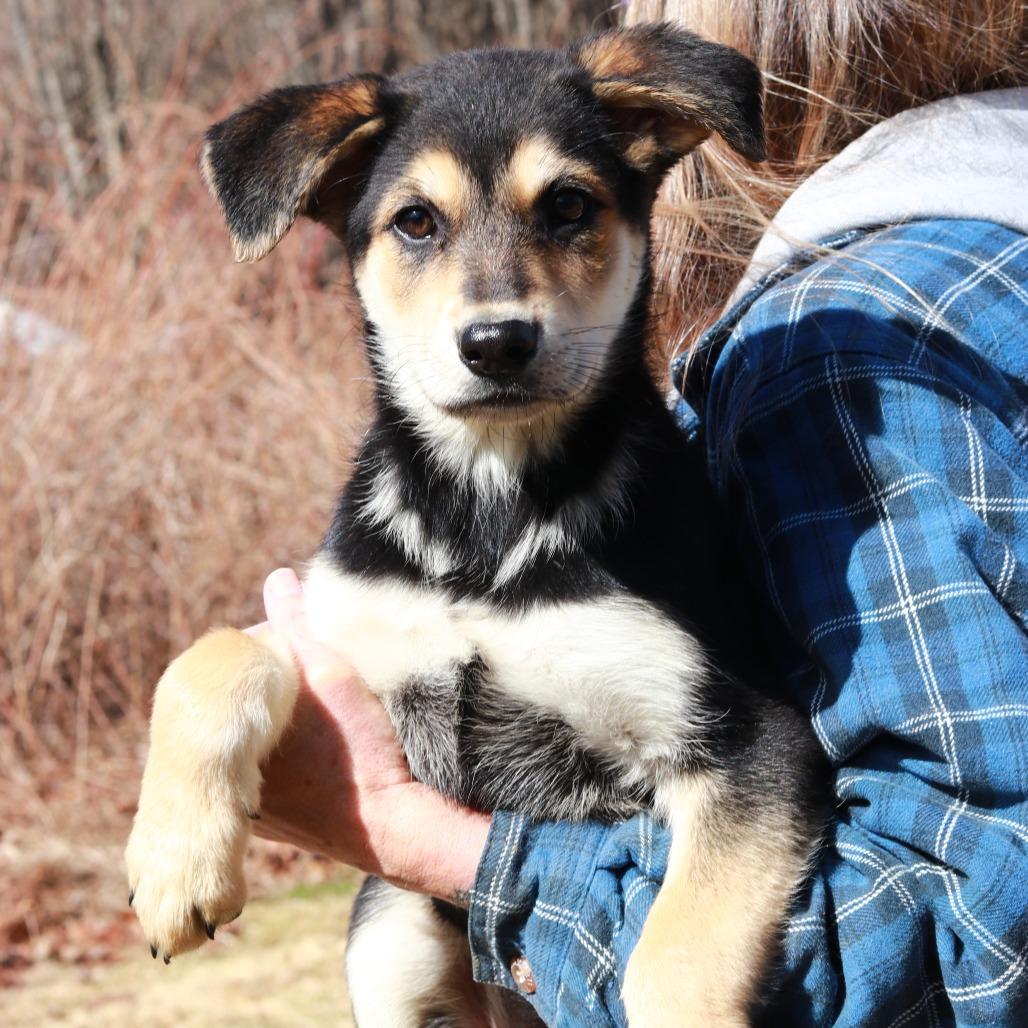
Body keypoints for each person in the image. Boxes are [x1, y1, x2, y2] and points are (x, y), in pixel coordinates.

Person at [249, 1, 1028, 1023]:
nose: (495, 303)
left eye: (563, 209)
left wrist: (410, 837)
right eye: (419, 223)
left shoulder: (845, 346)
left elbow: (959, 925)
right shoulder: (985, 257)